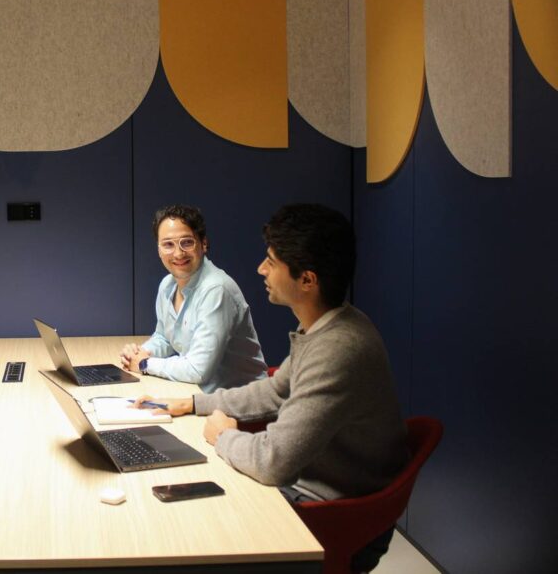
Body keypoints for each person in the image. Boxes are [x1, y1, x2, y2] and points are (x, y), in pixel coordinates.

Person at [136, 204, 409, 572]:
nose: (261, 269)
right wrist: (193, 403)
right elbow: (273, 392)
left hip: (328, 514)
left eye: (271, 261)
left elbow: (273, 461)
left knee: (184, 524)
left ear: (307, 280)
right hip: (316, 485)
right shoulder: (331, 326)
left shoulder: (337, 349)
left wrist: (224, 436)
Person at [120, 204, 267, 393]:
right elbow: (164, 338)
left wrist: (145, 364)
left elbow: (198, 370)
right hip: (197, 394)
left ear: (203, 244)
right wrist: (140, 353)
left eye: (187, 242)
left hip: (239, 404)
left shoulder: (216, 289)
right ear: (158, 249)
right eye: (168, 244)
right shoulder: (167, 284)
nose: (178, 253)